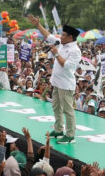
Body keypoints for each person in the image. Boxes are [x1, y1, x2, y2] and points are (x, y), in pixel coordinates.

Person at [28, 15, 81, 144]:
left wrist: (56, 53)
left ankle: (70, 135)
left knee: (68, 110)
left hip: (66, 85)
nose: (60, 37)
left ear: (70, 37)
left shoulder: (75, 50)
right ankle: (58, 130)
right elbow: (49, 36)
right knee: (56, 107)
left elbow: (67, 65)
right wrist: (38, 25)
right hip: (56, 83)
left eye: (63, 35)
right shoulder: (61, 43)